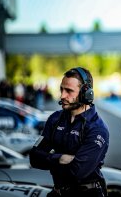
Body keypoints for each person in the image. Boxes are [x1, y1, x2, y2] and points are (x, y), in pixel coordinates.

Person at [29, 67, 109, 197]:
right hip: (57, 192)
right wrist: (60, 158)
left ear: (86, 93)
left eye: (69, 91)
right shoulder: (55, 118)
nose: (62, 96)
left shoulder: (97, 128)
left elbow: (77, 172)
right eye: (61, 89)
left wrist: (49, 158)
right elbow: (34, 158)